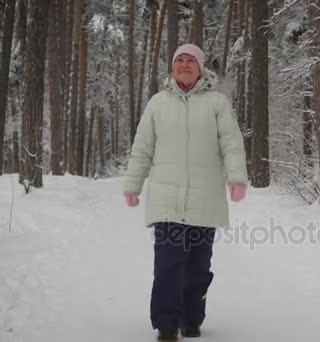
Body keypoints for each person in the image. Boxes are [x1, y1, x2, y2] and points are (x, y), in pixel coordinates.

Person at [123, 43, 248, 341]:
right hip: (167, 200)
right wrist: (132, 184)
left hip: (205, 200)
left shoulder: (217, 103)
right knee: (167, 265)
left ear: (201, 67)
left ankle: (191, 318)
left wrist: (236, 178)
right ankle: (166, 325)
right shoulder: (157, 103)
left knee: (197, 267)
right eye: (179, 60)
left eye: (190, 60)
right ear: (172, 66)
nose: (184, 65)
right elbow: (142, 148)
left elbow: (231, 143)